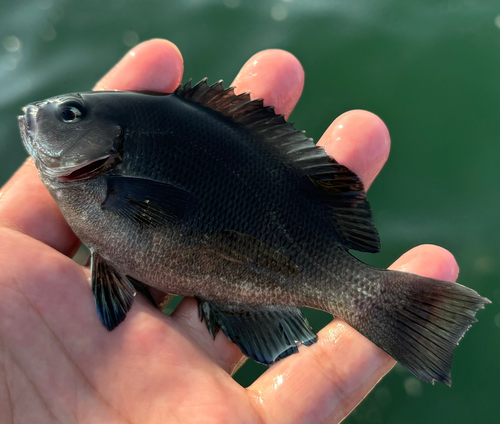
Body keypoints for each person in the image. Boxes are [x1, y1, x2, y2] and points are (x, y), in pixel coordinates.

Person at [0, 39, 459, 423]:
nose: (43, 115)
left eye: (72, 114)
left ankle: (391, 308)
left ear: (112, 140)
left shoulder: (111, 172)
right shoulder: (102, 177)